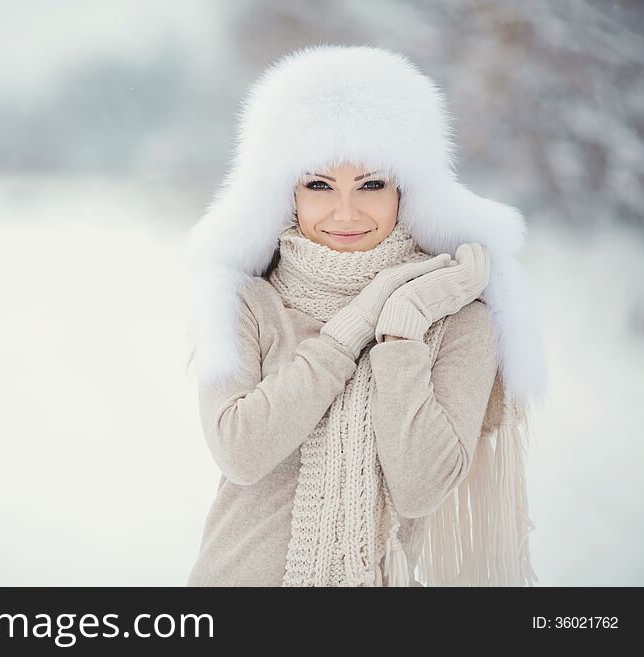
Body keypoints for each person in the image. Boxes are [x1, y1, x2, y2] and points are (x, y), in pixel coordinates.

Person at [183, 44, 548, 587]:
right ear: (288, 194)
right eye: (320, 186)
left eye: (372, 184)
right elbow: (242, 449)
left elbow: (420, 486)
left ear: (405, 191)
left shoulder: (456, 318)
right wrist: (352, 328)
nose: (346, 212)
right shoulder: (245, 303)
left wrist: (401, 331)